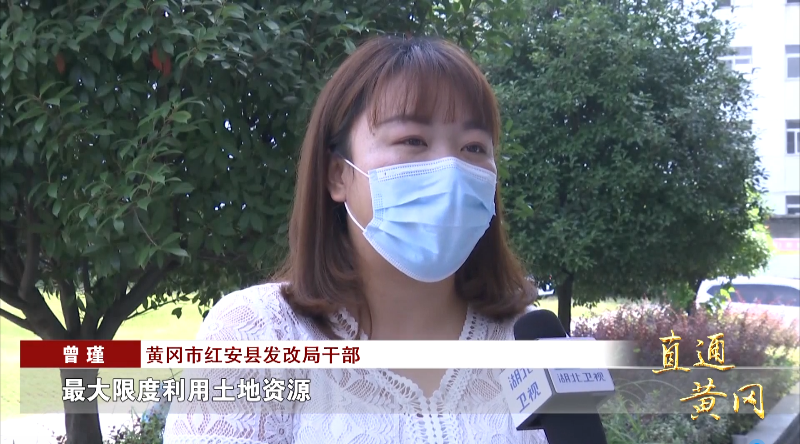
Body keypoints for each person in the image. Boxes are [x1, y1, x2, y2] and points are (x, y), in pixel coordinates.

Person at [162, 35, 547, 444]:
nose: (450, 169)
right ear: (338, 174)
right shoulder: (256, 336)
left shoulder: (535, 347)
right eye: (413, 141)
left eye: (474, 147)